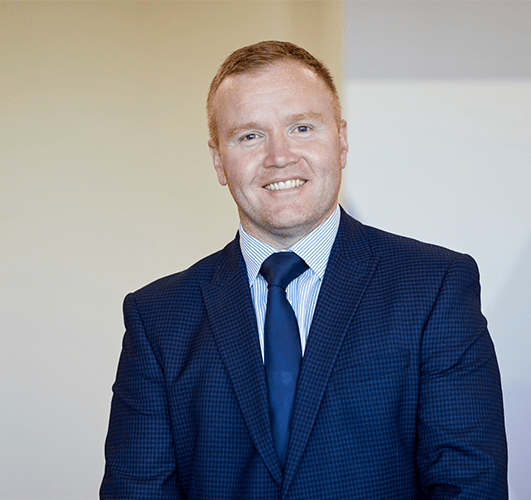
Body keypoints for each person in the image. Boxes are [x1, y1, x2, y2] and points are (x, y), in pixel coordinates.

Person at [100, 40, 507, 499]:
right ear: (218, 160)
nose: (279, 155)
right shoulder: (157, 317)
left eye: (302, 127)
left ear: (342, 140)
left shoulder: (434, 287)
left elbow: (468, 486)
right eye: (249, 135)